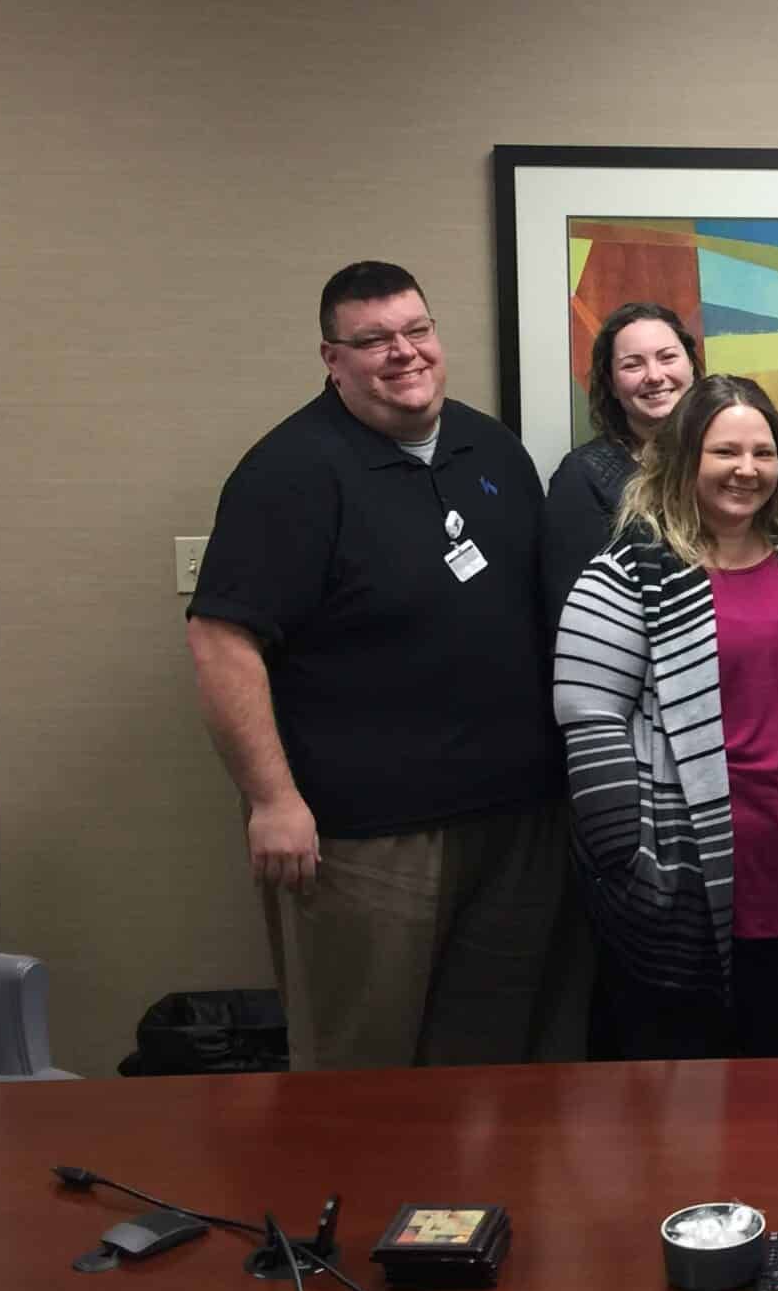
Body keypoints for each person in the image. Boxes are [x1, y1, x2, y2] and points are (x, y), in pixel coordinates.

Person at [185, 261, 566, 1071]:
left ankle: (467, 1203)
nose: (404, 353)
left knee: (494, 1062)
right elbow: (223, 642)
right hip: (367, 842)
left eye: (416, 330)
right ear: (332, 358)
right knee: (361, 1068)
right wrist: (270, 799)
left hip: (514, 824)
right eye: (373, 341)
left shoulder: (489, 445)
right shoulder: (288, 473)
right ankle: (357, 1204)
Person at [555, 375, 778, 1059]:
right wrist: (629, 857)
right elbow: (590, 719)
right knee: (694, 1084)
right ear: (685, 459)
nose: (747, 470)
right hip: (688, 871)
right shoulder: (630, 570)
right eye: (725, 453)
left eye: (763, 453)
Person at [543, 301, 701, 606]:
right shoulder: (583, 476)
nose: (654, 375)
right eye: (633, 364)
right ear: (612, 385)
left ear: (691, 366)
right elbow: (574, 608)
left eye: (667, 357)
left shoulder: (727, 459)